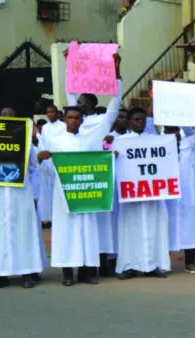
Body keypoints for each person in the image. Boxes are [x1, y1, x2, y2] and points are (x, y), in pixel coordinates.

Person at [38, 106, 116, 286]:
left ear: (82, 120)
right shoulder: (55, 141)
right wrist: (42, 159)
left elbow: (98, 163)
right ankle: (67, 274)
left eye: (77, 118)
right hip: (63, 195)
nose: (73, 121)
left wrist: (111, 157)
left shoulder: (89, 141)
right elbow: (49, 171)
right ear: (64, 119)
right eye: (70, 117)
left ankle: (86, 273)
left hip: (85, 194)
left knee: (86, 232)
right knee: (66, 233)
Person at [68, 63, 123, 275]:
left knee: (100, 224)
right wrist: (70, 68)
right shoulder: (74, 129)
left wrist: (117, 74)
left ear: (90, 105)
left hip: (98, 178)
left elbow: (115, 105)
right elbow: (71, 96)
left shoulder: (101, 123)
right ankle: (81, 265)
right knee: (82, 227)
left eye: (82, 102)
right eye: (76, 105)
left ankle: (100, 263)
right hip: (77, 180)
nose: (78, 105)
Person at [0, 107, 45, 289]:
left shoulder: (25, 141)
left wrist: (35, 194)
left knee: (24, 232)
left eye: (11, 115)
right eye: (4, 115)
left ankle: (27, 272)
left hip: (20, 193)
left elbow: (34, 167)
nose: (7, 118)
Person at [114, 108, 170, 280]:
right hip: (131, 194)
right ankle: (129, 265)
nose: (141, 123)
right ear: (129, 120)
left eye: (143, 120)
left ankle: (154, 265)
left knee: (155, 227)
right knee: (130, 228)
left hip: (152, 193)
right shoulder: (119, 141)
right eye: (137, 119)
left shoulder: (154, 140)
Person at [164, 125, 195, 274]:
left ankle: (189, 262)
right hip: (167, 197)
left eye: (176, 130)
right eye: (170, 131)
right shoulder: (157, 145)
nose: (174, 134)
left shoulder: (188, 143)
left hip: (187, 194)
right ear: (164, 132)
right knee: (166, 228)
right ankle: (164, 263)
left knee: (189, 227)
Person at [36, 103, 65, 226]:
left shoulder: (63, 126)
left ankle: (61, 216)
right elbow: (42, 143)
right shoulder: (45, 127)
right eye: (48, 112)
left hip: (59, 159)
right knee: (46, 191)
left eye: (52, 112)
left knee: (59, 188)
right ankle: (47, 218)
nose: (50, 114)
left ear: (57, 113)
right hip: (47, 161)